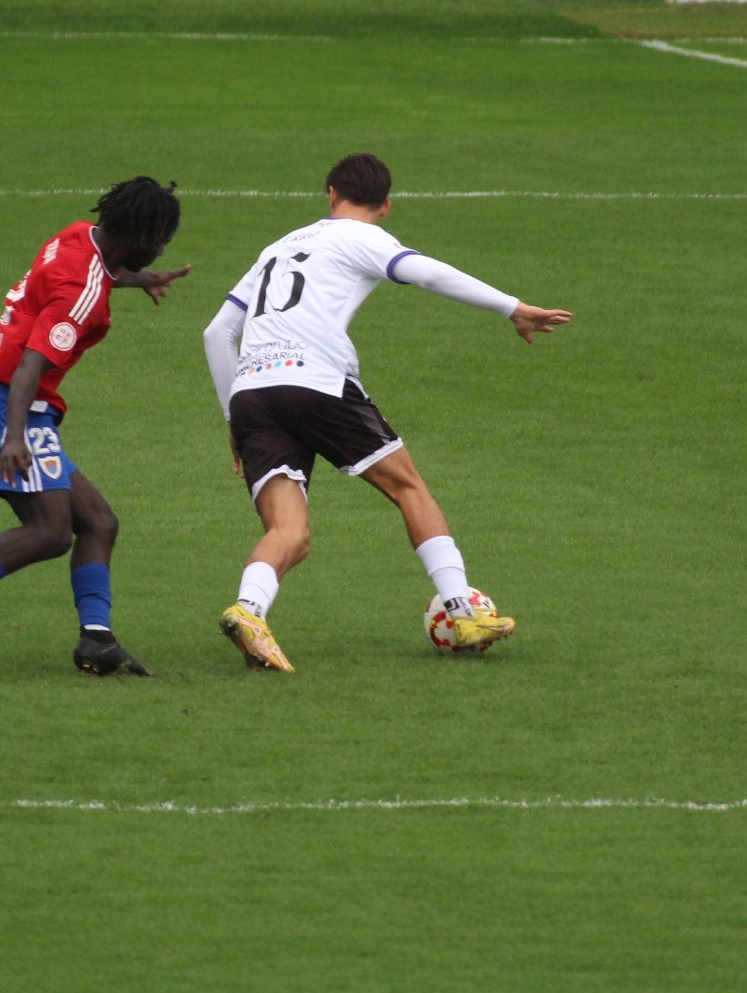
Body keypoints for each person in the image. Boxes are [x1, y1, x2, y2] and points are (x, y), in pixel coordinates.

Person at [202, 153, 572, 672]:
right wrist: (512, 307)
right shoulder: (365, 237)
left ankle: (249, 610)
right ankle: (463, 611)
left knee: (291, 533)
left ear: (331, 193)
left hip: (251, 394)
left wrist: (232, 422)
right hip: (315, 380)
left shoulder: (278, 247)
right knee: (407, 486)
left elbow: (217, 332)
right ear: (387, 206)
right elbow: (427, 273)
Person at [0, 177, 188, 676]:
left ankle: (97, 640)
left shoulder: (77, 236)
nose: (161, 247)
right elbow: (30, 365)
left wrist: (143, 278)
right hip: (7, 405)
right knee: (50, 531)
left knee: (98, 521)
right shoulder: (80, 296)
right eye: (159, 238)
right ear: (138, 233)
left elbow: (99, 272)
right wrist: (13, 437)